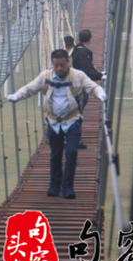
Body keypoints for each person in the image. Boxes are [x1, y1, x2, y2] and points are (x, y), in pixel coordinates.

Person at [7, 49, 107, 199]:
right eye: (56, 65)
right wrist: (17, 96)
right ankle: (54, 185)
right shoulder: (45, 76)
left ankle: (68, 187)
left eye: (62, 65)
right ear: (52, 64)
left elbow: (92, 87)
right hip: (54, 122)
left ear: (68, 62)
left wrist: (100, 93)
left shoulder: (78, 76)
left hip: (72, 120)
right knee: (55, 154)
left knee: (71, 152)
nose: (59, 69)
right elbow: (30, 88)